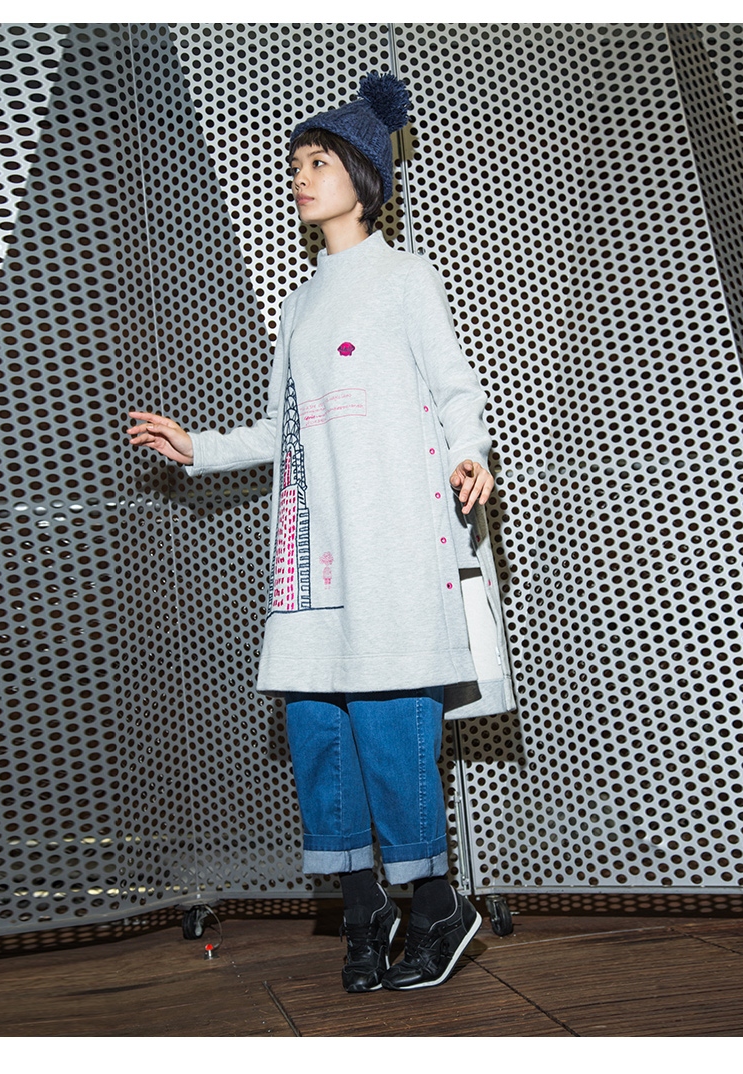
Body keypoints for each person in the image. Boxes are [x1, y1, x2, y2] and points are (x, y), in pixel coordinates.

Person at [128, 72, 514, 992]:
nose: (300, 177)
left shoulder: (407, 278)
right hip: (311, 556)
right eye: (296, 164)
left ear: (364, 178)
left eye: (319, 163)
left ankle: (436, 908)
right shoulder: (300, 304)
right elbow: (282, 429)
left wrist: (469, 453)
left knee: (388, 729)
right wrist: (199, 448)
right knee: (316, 733)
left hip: (392, 544)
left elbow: (456, 390)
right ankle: (363, 911)